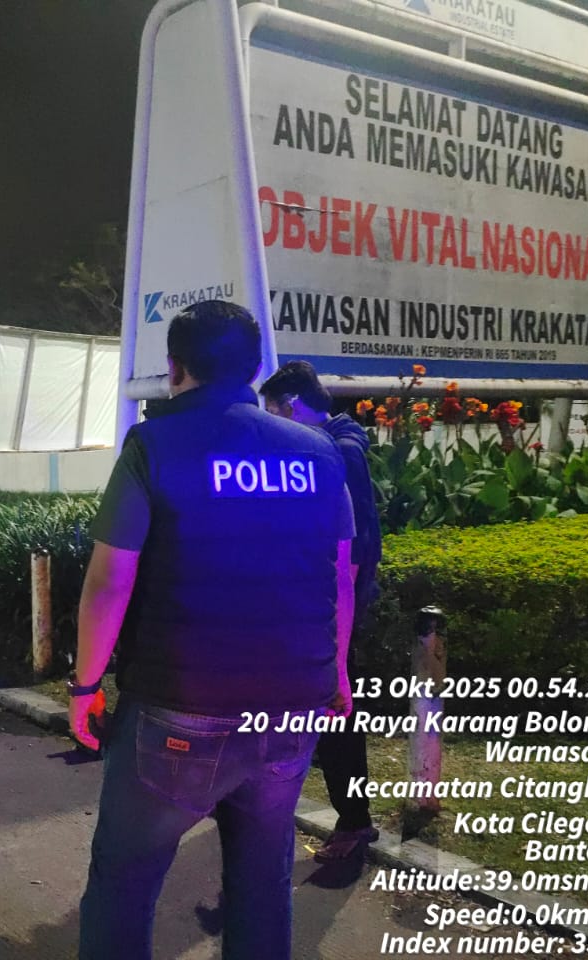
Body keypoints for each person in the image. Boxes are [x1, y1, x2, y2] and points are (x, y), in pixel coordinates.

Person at [70, 301, 355, 960]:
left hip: (179, 711)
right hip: (292, 707)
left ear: (176, 368)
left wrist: (85, 686)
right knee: (262, 882)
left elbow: (109, 582)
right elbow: (340, 575)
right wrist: (337, 671)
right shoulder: (319, 453)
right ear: (255, 369)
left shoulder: (154, 446)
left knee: (124, 882)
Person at [260, 359, 382, 862]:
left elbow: (349, 551)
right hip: (316, 601)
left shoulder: (339, 453)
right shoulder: (331, 445)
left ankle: (354, 822)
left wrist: (337, 624)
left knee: (337, 710)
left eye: (273, 413)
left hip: (331, 606)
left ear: (292, 406)